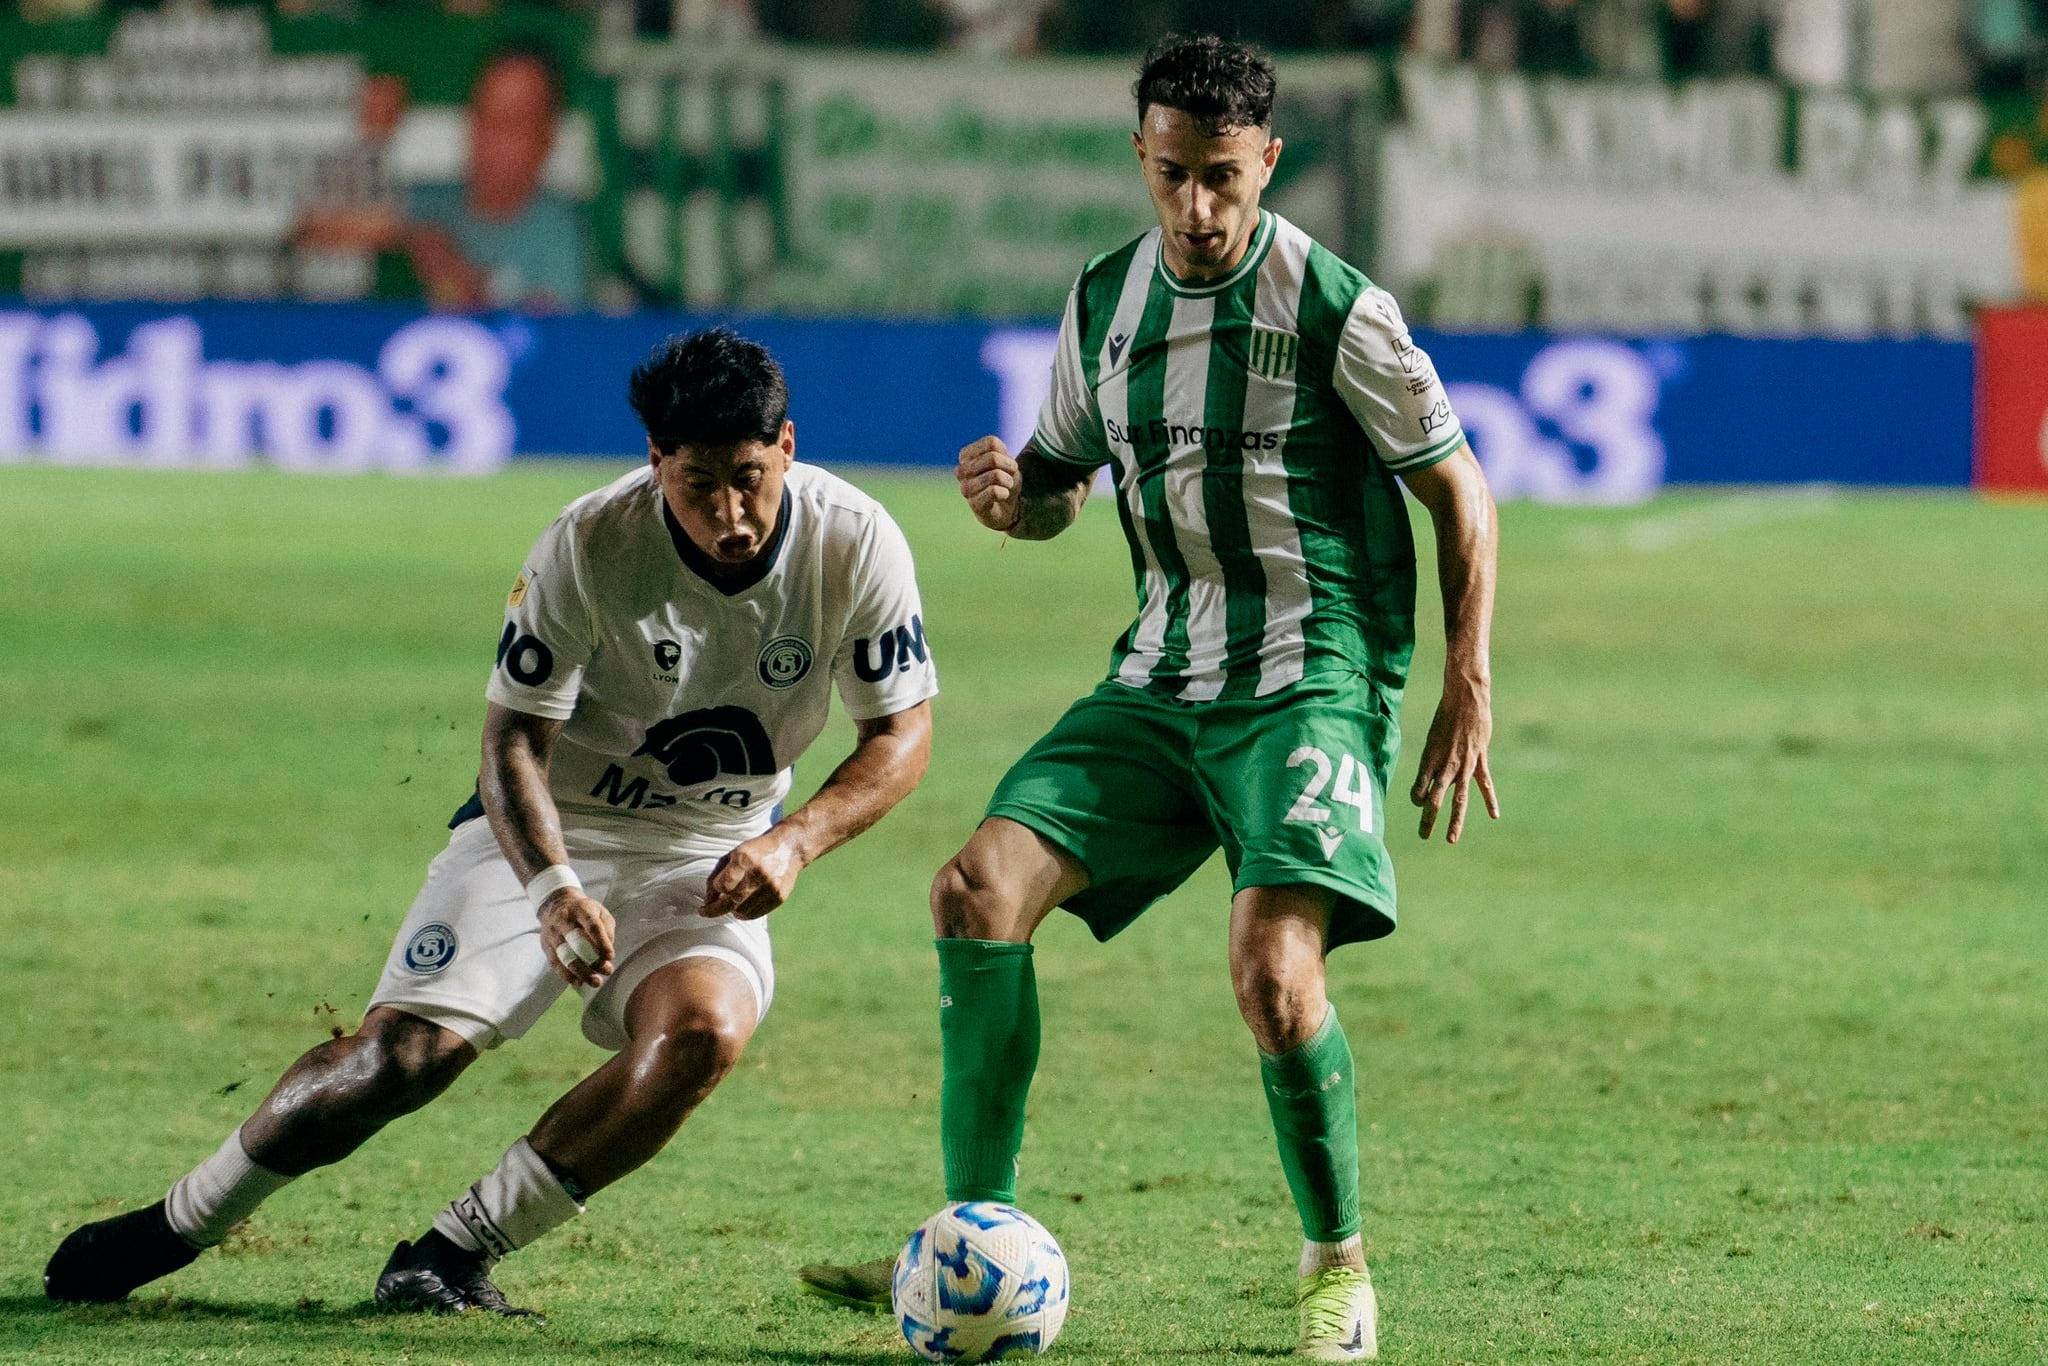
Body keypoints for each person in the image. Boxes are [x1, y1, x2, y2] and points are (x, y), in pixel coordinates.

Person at [797, 34, 1499, 1362]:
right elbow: (1064, 483)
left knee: (1272, 973)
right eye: (1173, 175)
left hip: (1311, 675)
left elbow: (1457, 486)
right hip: (1160, 676)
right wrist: (1024, 505)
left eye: (1223, 180)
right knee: (973, 891)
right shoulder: (1103, 303)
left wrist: (1464, 679)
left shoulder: (1337, 307)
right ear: (1141, 154)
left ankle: (1335, 1264)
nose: (1195, 209)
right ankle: (973, 1241)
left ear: (1269, 164)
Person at [44, 327, 938, 1317]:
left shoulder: (855, 539)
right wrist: (553, 888)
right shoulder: (591, 543)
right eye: (697, 483)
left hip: (711, 847)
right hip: (555, 826)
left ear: (787, 445)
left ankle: (451, 1252)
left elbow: (902, 732)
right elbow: (511, 742)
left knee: (701, 1035)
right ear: (654, 463)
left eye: (748, 477)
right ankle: (179, 1222)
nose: (729, 513)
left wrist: (794, 838)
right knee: (401, 1060)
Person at [296, 45, 590, 312]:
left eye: (512, 120)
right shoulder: (430, 200)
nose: (490, 134)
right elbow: (307, 234)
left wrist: (456, 272)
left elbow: (553, 342)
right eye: (483, 113)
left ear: (545, 138)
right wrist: (372, 142)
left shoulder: (559, 230)